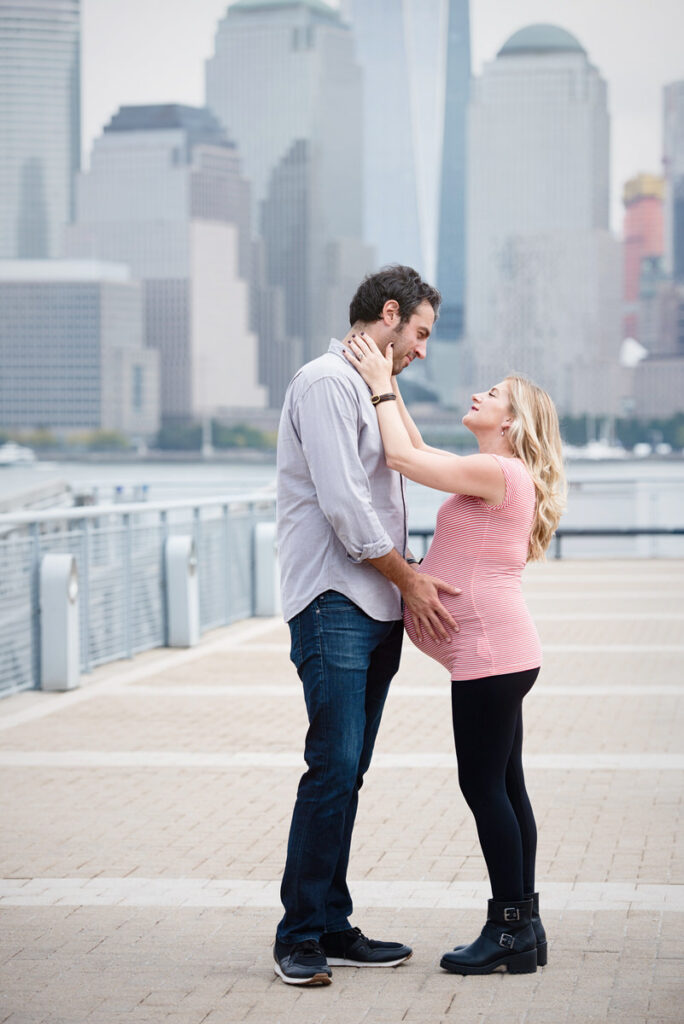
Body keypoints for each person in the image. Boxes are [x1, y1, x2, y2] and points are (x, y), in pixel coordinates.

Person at [344, 330, 566, 976]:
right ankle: (525, 927)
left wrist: (382, 387)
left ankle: (508, 931)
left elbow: (401, 460)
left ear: (512, 421)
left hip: (491, 656)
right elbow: (413, 448)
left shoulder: (497, 471)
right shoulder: (501, 471)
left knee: (485, 787)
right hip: (504, 653)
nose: (477, 394)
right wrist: (390, 384)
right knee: (506, 788)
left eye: (492, 394)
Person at [274, 266, 461, 986]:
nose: (421, 349)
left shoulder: (370, 385)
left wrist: (406, 583)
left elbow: (407, 468)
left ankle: (331, 921)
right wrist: (410, 579)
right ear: (389, 314)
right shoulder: (325, 382)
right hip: (334, 602)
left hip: (374, 605)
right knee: (332, 768)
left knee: (348, 773)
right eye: (418, 333)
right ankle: (298, 937)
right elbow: (347, 508)